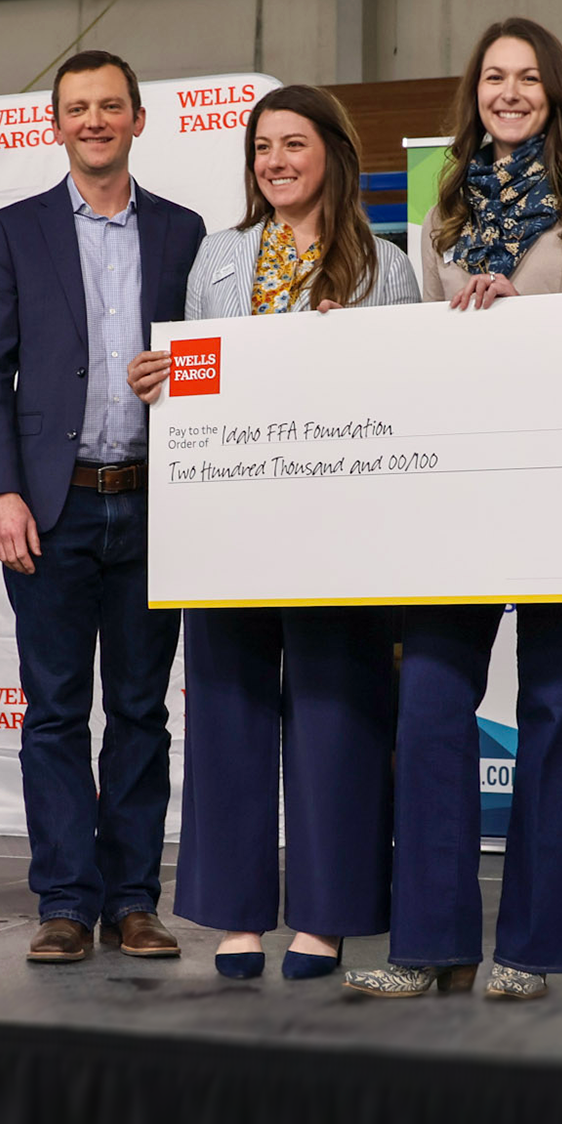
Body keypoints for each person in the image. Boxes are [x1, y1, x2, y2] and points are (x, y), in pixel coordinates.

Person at [344, 17, 562, 1003]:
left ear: (553, 89)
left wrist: (531, 326)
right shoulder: (438, 208)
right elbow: (420, 346)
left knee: (555, 714)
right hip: (462, 491)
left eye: (526, 78)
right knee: (431, 709)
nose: (509, 92)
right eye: (493, 77)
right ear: (472, 92)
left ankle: (527, 946)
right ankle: (429, 943)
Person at [124, 85, 420, 980]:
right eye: (262, 147)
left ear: (333, 150)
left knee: (337, 713)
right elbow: (201, 381)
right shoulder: (219, 255)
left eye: (293, 143)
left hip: (338, 527)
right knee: (228, 709)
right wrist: (160, 378)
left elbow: (406, 398)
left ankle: (327, 917)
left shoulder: (388, 265)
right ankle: (238, 913)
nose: (276, 161)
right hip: (227, 524)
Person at [0, 50, 207, 964]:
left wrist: (181, 376)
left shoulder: (187, 234)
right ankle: (65, 901)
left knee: (142, 712)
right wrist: (1, 493)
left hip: (155, 510)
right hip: (51, 513)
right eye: (77, 108)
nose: (94, 120)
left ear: (139, 120)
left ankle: (135, 901)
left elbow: (217, 363)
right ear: (55, 124)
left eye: (111, 106)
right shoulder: (15, 232)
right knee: (56, 714)